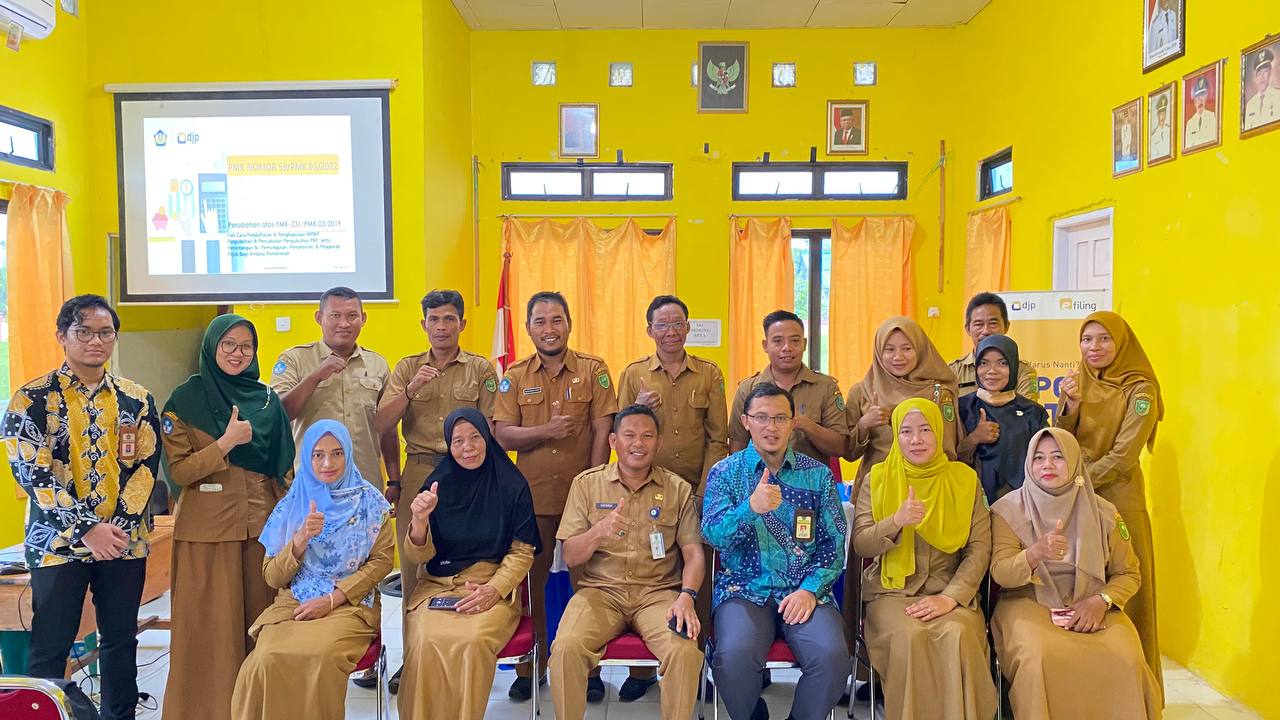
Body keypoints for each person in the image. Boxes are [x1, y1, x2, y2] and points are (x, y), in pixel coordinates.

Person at [2, 295, 161, 720]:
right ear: (62, 336)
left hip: (124, 542)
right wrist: (88, 529)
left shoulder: (136, 399)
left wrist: (115, 529)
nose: (96, 341)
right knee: (50, 646)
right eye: (84, 332)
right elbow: (32, 474)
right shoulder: (30, 400)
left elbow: (146, 467)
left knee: (120, 641)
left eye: (105, 332)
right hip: (56, 545)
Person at [161, 314, 295, 720]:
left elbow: (283, 471)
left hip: (262, 533)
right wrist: (225, 443)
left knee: (262, 627)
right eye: (229, 345)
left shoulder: (267, 401)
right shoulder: (185, 400)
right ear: (212, 347)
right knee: (210, 633)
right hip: (208, 535)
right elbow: (179, 473)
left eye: (246, 346)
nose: (238, 353)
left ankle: (260, 710)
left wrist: (292, 529)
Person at [493, 291, 618, 701]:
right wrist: (546, 431)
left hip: (583, 501)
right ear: (529, 328)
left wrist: (594, 487)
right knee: (533, 585)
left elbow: (603, 430)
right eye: (540, 321)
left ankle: (590, 668)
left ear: (569, 324)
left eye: (556, 320)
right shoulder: (515, 375)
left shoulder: (594, 370)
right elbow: (502, 434)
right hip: (532, 499)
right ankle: (533, 666)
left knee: (590, 585)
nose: (549, 328)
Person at [989, 428, 1161, 719]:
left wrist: (1101, 601)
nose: (1047, 465)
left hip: (1092, 602)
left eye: (1058, 457)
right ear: (1028, 464)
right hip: (1027, 600)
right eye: (1038, 458)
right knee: (1039, 656)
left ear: (1074, 462)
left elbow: (1128, 573)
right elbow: (1000, 573)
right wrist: (1034, 554)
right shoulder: (1007, 510)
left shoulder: (1104, 512)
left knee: (1127, 658)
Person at [374, 289, 498, 690]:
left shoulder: (480, 369)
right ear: (423, 324)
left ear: (462, 323)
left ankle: (458, 655)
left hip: (468, 473)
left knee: (466, 565)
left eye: (449, 319)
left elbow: (492, 427)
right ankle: (412, 661)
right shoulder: (407, 367)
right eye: (434, 320)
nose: (441, 327)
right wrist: (410, 391)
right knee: (415, 569)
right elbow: (380, 424)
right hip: (419, 471)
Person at [703, 383, 849, 720]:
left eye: (780, 418)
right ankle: (753, 714)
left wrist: (810, 590)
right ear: (746, 421)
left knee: (832, 658)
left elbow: (834, 544)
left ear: (793, 422)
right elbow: (712, 535)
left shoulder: (818, 476)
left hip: (804, 590)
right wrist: (750, 508)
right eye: (761, 417)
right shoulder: (725, 473)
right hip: (743, 589)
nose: (771, 426)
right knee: (732, 657)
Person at [550, 405, 705, 719]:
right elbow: (570, 556)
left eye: (647, 436)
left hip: (658, 595)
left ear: (659, 442)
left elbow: (693, 554)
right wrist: (598, 532)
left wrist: (687, 597)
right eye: (629, 435)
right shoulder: (586, 484)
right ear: (613, 441)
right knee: (566, 648)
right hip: (600, 593)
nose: (638, 443)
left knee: (684, 652)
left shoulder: (677, 489)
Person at [231, 421, 394, 719]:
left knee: (318, 655)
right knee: (265, 658)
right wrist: (300, 540)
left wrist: (332, 599)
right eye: (318, 455)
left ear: (348, 454)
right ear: (307, 458)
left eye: (336, 453)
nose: (328, 463)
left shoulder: (370, 503)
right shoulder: (292, 504)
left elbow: (382, 562)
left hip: (350, 605)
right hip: (295, 604)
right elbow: (272, 576)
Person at [853, 398, 996, 720]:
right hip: (891, 593)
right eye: (906, 431)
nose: (916, 439)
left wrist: (951, 597)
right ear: (896, 435)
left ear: (940, 433)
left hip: (950, 590)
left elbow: (979, 548)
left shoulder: (964, 479)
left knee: (958, 635)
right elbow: (862, 544)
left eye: (925, 430)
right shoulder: (878, 479)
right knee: (910, 636)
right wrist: (895, 521)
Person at [616, 294, 728, 699]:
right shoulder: (635, 374)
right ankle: (641, 672)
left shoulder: (708, 374)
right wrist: (637, 405)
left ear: (688, 327)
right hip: (648, 493)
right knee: (650, 572)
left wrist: (705, 492)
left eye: (677, 323)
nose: (670, 331)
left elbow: (718, 437)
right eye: (662, 324)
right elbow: (623, 432)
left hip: (698, 492)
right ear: (650, 330)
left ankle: (696, 667)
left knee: (699, 577)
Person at [397, 408, 542, 720]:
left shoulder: (511, 485)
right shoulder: (436, 486)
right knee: (424, 640)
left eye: (475, 437)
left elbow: (522, 552)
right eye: (458, 441)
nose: (468, 447)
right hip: (438, 586)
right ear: (449, 445)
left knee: (472, 640)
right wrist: (419, 521)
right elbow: (418, 557)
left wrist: (494, 589)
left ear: (487, 438)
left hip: (491, 587)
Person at [1057, 310, 1165, 693]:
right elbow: (1060, 439)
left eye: (1104, 339)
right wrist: (1069, 407)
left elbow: (1124, 456)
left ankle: (1138, 691)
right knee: (1083, 590)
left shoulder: (1141, 390)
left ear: (1120, 343)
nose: (1094, 347)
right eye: (1087, 339)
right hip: (1078, 499)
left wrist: (1079, 482)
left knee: (1128, 592)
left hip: (1118, 500)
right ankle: (1094, 692)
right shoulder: (1078, 381)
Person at [270, 287, 395, 490]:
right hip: (313, 482)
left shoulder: (377, 364)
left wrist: (394, 480)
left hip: (365, 482)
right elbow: (280, 413)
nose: (344, 323)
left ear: (363, 319)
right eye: (335, 316)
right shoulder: (294, 359)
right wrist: (316, 376)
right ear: (319, 318)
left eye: (352, 316)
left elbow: (387, 428)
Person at [729, 310, 848, 465]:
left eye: (795, 341)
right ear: (765, 345)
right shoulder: (747, 389)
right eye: (778, 341)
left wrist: (804, 423)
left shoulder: (825, 387)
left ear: (804, 344)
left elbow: (839, 447)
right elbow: (737, 447)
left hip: (811, 478)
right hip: (759, 478)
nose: (787, 347)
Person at [957, 335, 1049, 505]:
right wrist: (974, 438)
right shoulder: (962, 408)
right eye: (984, 363)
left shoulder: (1032, 412)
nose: (992, 371)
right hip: (971, 503)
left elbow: (1045, 459)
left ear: (1013, 367)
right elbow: (948, 459)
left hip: (1022, 505)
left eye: (1002, 363)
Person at [949, 292, 1039, 401]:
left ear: (1006, 326)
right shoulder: (952, 372)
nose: (986, 331)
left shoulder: (1023, 372)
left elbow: (1028, 409)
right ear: (968, 329)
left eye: (993, 324)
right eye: (978, 324)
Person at [1244, 48, 1280, 131]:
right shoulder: (1250, 104)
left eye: (1265, 72)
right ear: (1256, 77)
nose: (1262, 77)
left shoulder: (1278, 96)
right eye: (1259, 73)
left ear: (1270, 73)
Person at [1185, 77, 1217, 149]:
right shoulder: (1190, 123)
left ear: (1206, 98)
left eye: (1203, 96)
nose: (1200, 100)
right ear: (1194, 101)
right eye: (1197, 98)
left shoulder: (1213, 117)